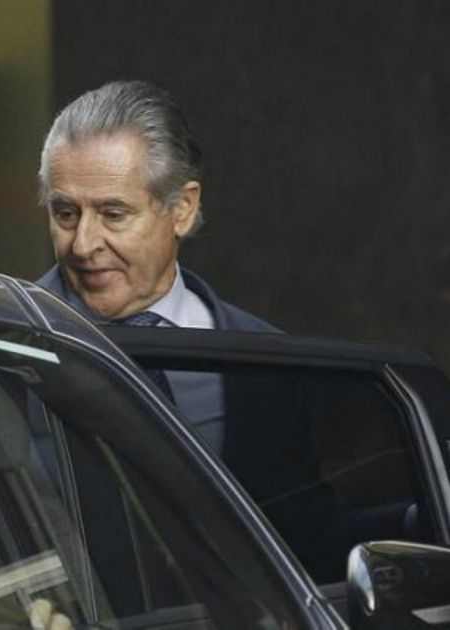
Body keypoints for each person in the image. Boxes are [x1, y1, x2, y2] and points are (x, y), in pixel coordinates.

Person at [36, 80, 280, 451]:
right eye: (66, 213)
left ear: (182, 209)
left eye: (113, 214)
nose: (83, 245)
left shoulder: (269, 361)